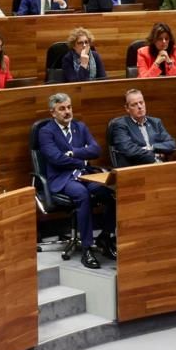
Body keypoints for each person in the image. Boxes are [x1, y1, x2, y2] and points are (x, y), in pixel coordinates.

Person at [35, 93, 114, 268]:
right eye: (62, 109)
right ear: (53, 112)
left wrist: (74, 153)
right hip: (62, 178)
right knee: (82, 194)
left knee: (109, 192)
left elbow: (96, 150)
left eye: (69, 107)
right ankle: (87, 248)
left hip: (84, 175)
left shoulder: (80, 127)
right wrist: (81, 160)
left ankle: (105, 236)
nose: (67, 112)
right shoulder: (46, 132)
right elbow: (56, 158)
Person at [107, 89, 175, 166]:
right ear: (127, 108)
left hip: (160, 166)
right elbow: (129, 150)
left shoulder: (156, 122)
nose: (139, 106)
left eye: (141, 103)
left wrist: (152, 148)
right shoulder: (120, 125)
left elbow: (171, 144)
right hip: (136, 168)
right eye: (134, 104)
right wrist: (155, 155)